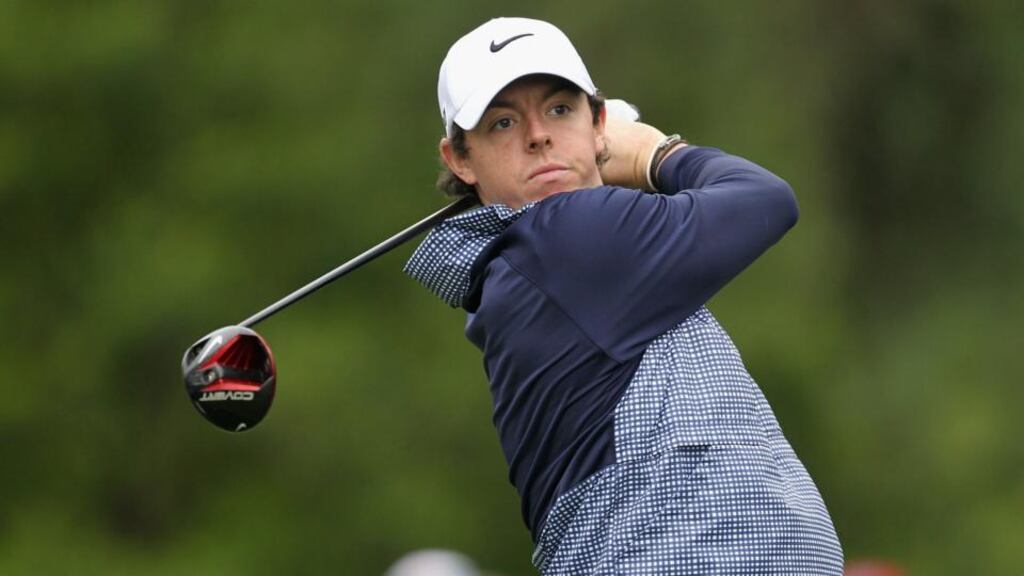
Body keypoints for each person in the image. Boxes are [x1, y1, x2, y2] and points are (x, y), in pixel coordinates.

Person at [405, 16, 844, 575]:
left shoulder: (535, 262)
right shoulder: (567, 236)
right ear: (460, 159)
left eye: (560, 109)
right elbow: (765, 200)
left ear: (597, 122)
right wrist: (655, 155)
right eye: (503, 122)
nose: (538, 135)